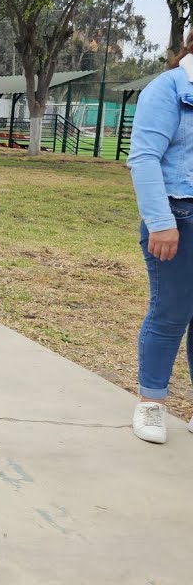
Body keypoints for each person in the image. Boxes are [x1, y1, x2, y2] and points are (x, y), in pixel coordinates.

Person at [126, 29, 193, 444]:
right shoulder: (168, 88)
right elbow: (145, 156)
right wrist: (161, 221)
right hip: (179, 215)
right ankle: (151, 403)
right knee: (170, 312)